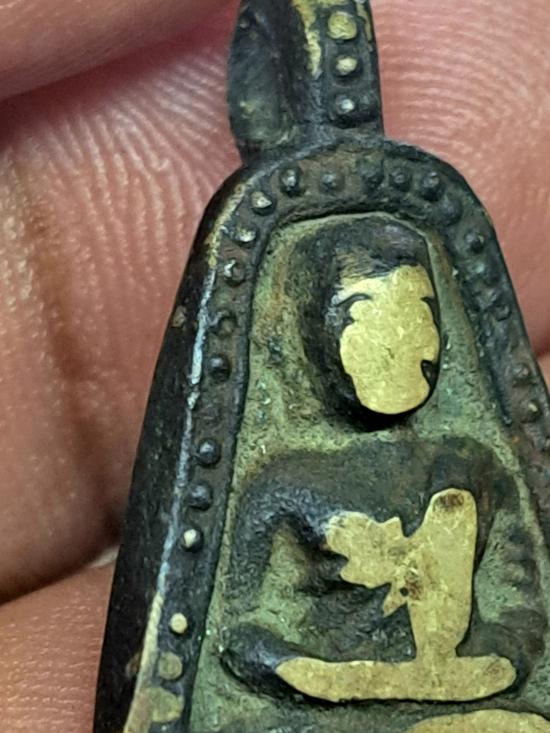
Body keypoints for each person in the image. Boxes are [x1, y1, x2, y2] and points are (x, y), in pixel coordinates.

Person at [0, 1, 549, 730]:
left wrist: (496, 661)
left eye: (423, 315)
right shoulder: (280, 484)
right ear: (321, 339)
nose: (411, 343)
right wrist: (318, 676)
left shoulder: (471, 466)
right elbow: (242, 636)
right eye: (373, 318)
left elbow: (522, 611)